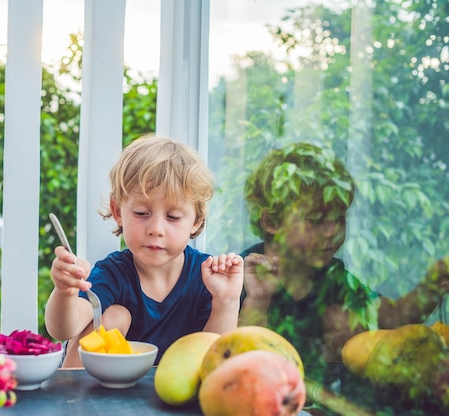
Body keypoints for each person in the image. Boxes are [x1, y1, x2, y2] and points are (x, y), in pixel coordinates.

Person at [237, 142, 449, 387]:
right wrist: (259, 301)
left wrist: (431, 286)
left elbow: (389, 318)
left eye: (340, 218)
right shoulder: (242, 276)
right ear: (272, 221)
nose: (332, 231)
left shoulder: (334, 277)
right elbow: (237, 355)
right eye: (316, 220)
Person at [45, 134, 244, 367]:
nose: (156, 229)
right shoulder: (113, 273)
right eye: (141, 213)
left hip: (167, 393)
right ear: (118, 211)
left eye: (173, 217)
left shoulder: (206, 277)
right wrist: (65, 292)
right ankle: (72, 395)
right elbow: (63, 329)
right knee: (117, 315)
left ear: (197, 221)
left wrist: (226, 300)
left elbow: (215, 358)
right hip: (98, 388)